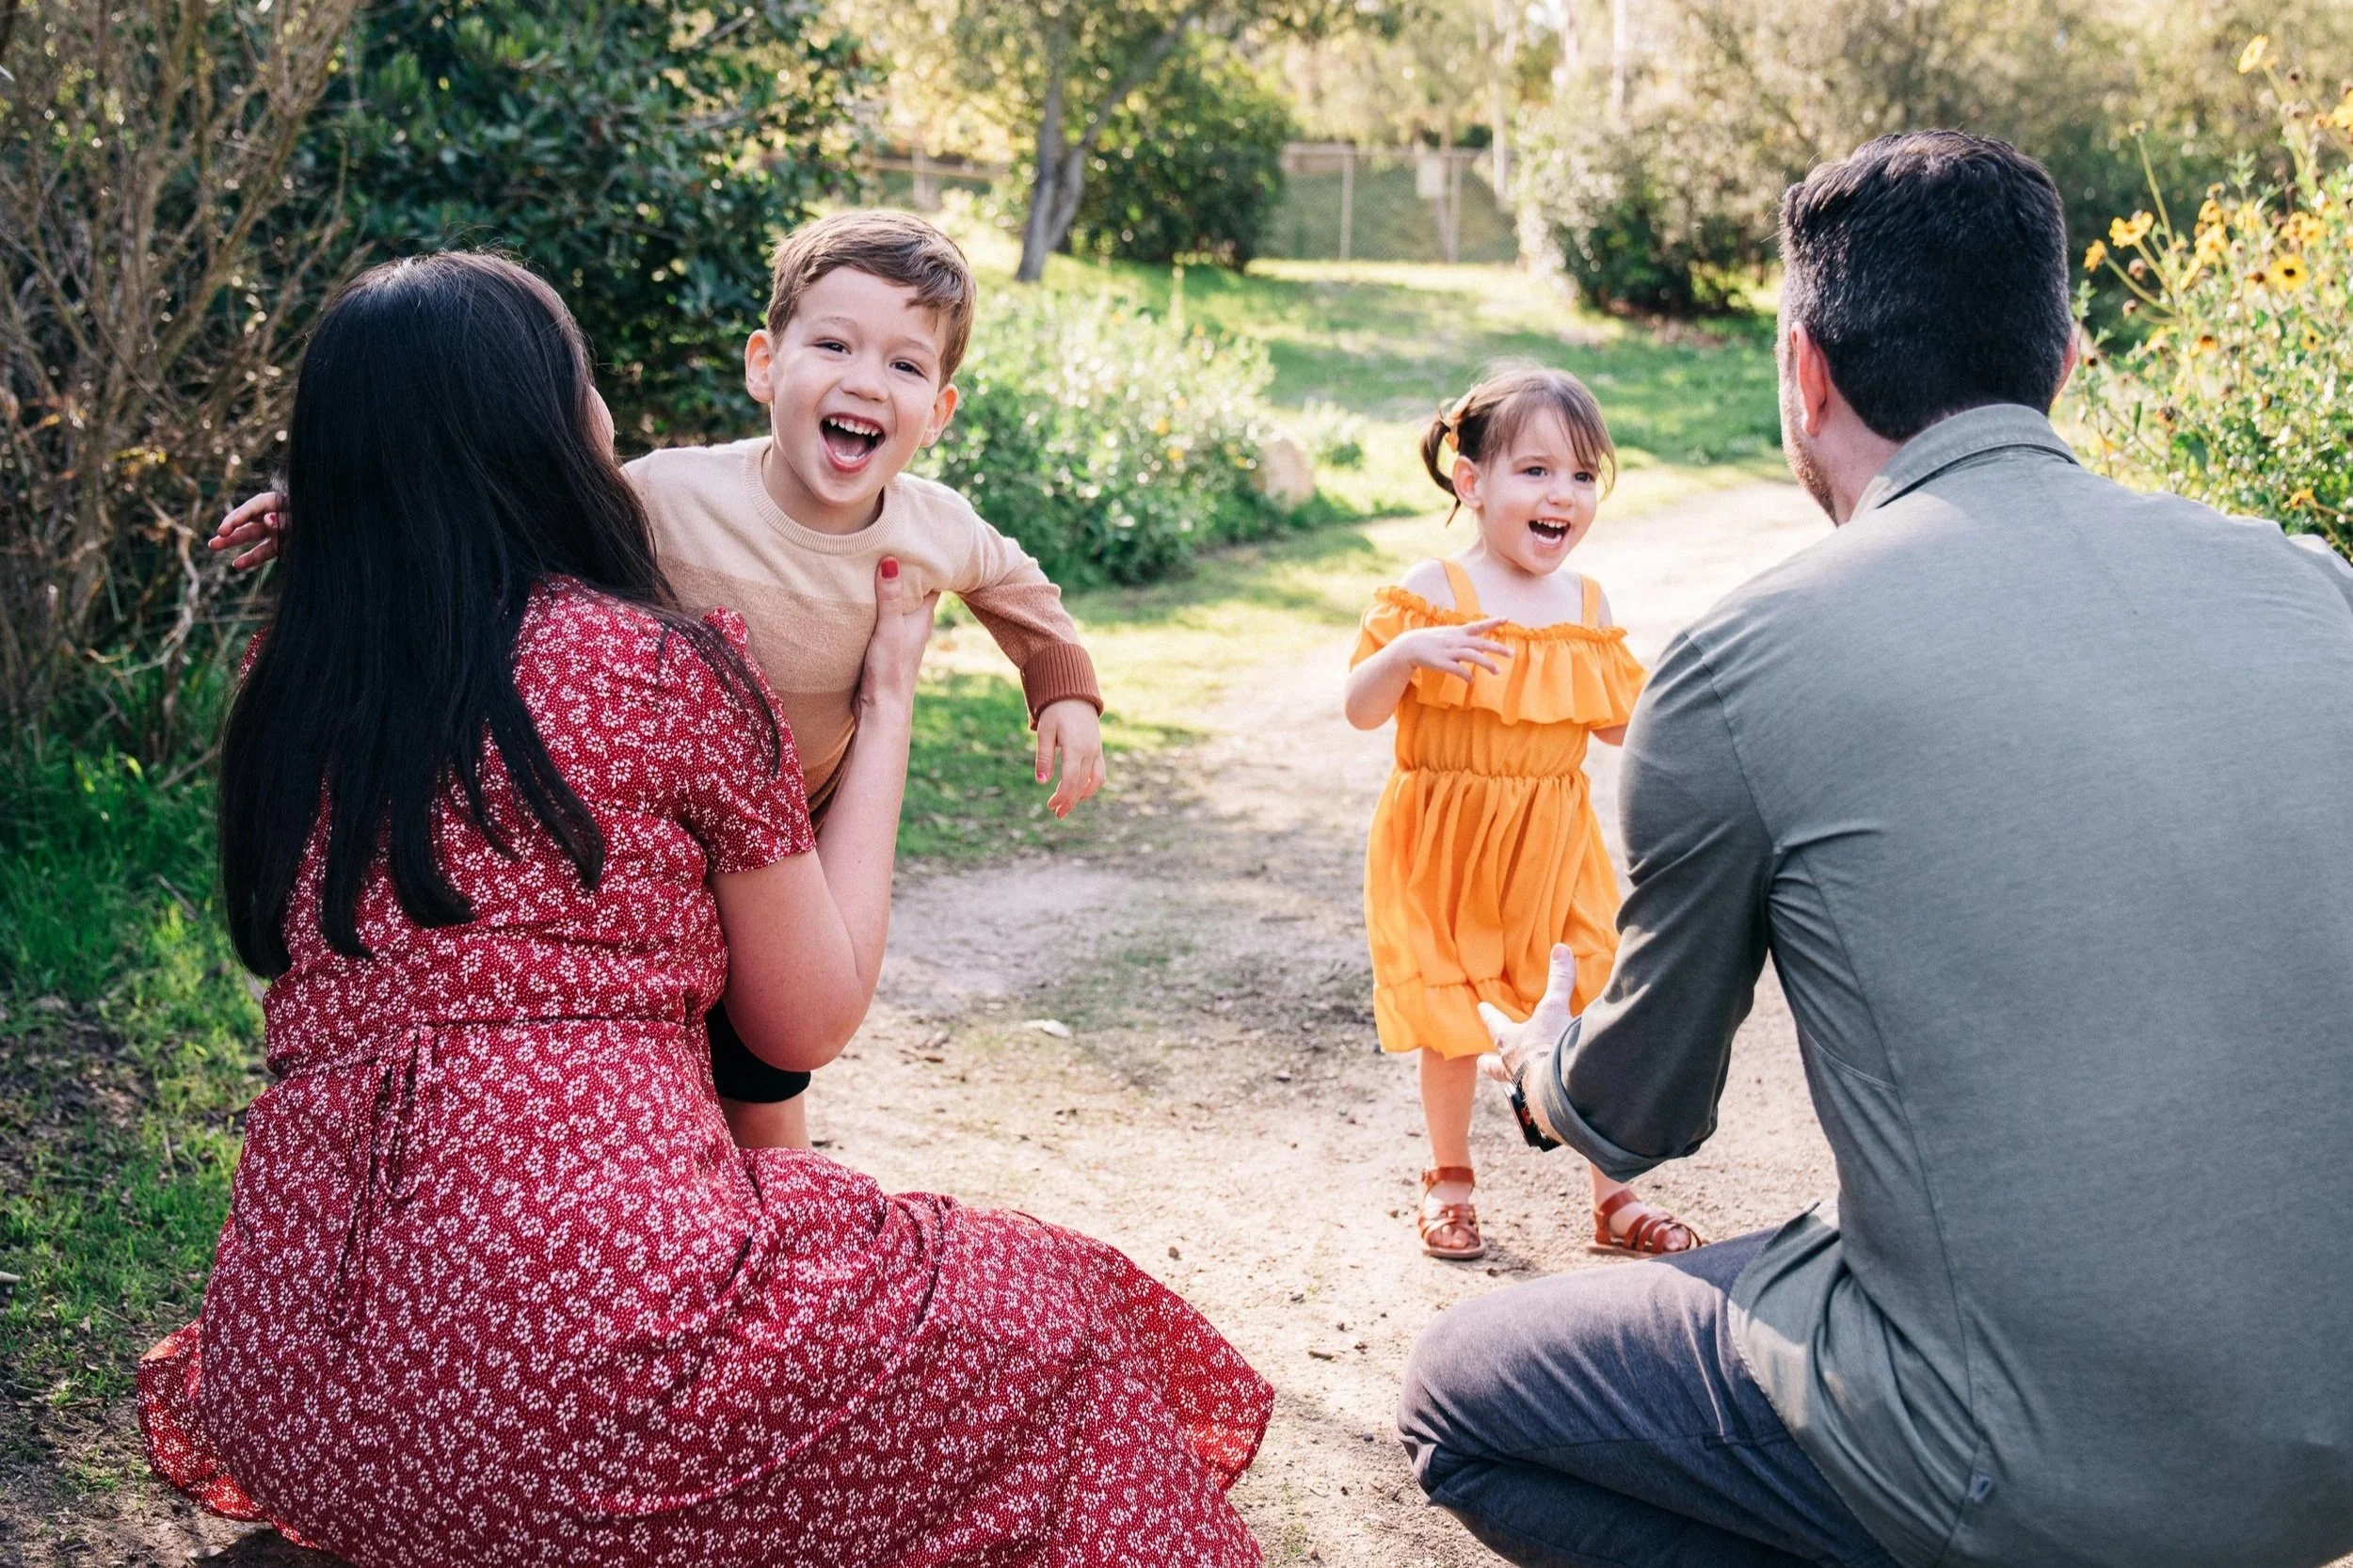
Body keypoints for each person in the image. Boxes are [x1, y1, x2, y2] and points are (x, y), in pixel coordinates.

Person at [142, 251, 1273, 1568]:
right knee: (1051, 1318)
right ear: (549, 428)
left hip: (301, 1390)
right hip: (564, 1395)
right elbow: (808, 1008)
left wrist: (335, 503)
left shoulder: (299, 679)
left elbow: (415, 491)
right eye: (582, 382)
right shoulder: (655, 663)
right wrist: (893, 691)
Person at [1398, 131, 2353, 1568]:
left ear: (1805, 373)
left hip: (2034, 1476)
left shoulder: (1747, 660)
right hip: (2328, 1461)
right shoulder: (2311, 586)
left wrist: (1538, 1075)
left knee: (1457, 1395)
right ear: (2067, 361)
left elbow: (1642, 1112)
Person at [211, 210, 1105, 1156]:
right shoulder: (676, 490)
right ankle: (709, 1192)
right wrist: (325, 508)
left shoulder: (934, 524)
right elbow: (492, 503)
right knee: (692, 1018)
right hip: (668, 818)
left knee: (765, 1072)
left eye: (904, 365)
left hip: (803, 823)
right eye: (834, 344)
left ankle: (783, 1214)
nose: (863, 381)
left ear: (941, 409)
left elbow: (1019, 591)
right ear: (764, 364)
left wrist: (1064, 694)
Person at [1343, 365, 1700, 1263]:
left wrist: (1696, 715)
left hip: (1553, 842)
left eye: (1583, 476)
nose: (1562, 495)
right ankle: (1449, 1181)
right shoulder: (1434, 591)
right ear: (1472, 482)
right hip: (1445, 844)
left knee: (1589, 1000)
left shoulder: (1586, 606)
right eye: (1535, 471)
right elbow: (1358, 707)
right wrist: (1409, 653)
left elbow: (1623, 723)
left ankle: (1615, 1196)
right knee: (1451, 1013)